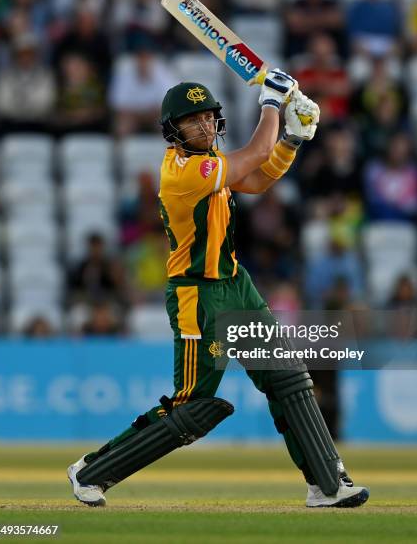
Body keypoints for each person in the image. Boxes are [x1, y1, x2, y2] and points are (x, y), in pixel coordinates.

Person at [67, 70, 369, 508]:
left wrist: (292, 140)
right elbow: (255, 152)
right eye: (193, 121)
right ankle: (91, 471)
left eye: (209, 117)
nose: (206, 126)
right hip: (197, 297)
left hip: (234, 283)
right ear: (174, 131)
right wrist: (273, 103)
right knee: (191, 406)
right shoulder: (184, 172)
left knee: (288, 378)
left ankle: (326, 484)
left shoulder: (213, 162)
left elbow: (257, 178)